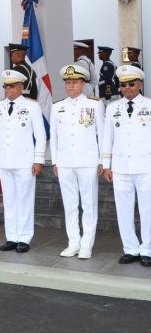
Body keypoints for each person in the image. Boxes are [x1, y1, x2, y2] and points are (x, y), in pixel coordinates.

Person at [50, 64, 104, 259]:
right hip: (65, 162)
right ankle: (73, 242)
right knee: (70, 205)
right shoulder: (57, 107)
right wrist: (55, 161)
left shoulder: (94, 104)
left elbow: (102, 134)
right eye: (68, 82)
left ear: (83, 83)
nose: (70, 86)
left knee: (89, 204)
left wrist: (101, 160)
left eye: (74, 82)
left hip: (88, 161)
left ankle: (86, 244)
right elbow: (54, 137)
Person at [0, 70, 46, 253]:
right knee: (9, 199)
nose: (8, 89)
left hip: (24, 160)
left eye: (12, 86)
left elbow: (40, 135)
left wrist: (38, 160)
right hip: (5, 160)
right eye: (6, 86)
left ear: (21, 87)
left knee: (25, 199)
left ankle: (24, 237)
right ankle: (11, 237)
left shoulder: (31, 106)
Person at [102, 65, 151, 266]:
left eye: (132, 83)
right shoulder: (113, 108)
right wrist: (106, 165)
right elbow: (107, 138)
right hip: (121, 167)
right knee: (124, 210)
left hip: (146, 166)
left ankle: (147, 249)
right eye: (123, 84)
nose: (127, 87)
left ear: (140, 84)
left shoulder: (149, 106)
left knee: (148, 210)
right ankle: (130, 248)